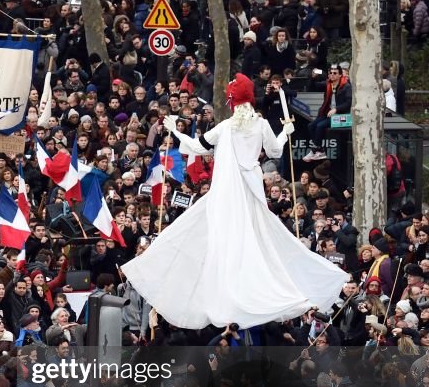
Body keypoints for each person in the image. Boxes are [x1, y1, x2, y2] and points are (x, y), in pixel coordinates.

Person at [121, 74, 348, 329]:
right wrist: (285, 133)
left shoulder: (226, 127)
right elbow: (274, 152)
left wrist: (174, 131)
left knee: (213, 235)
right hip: (250, 189)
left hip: (228, 193)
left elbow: (197, 147)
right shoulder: (260, 125)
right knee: (259, 239)